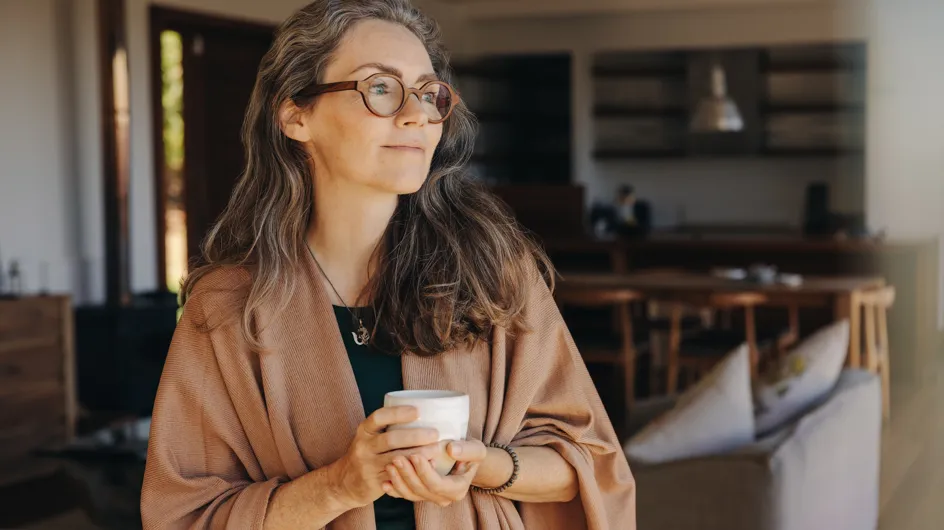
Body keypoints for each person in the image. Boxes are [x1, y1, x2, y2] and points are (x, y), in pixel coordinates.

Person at [140, 1, 636, 529]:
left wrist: (479, 464)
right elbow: (186, 516)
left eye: (428, 92)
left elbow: (589, 464)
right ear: (295, 115)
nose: (418, 113)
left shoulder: (493, 271)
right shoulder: (228, 306)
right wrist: (341, 485)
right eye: (380, 88)